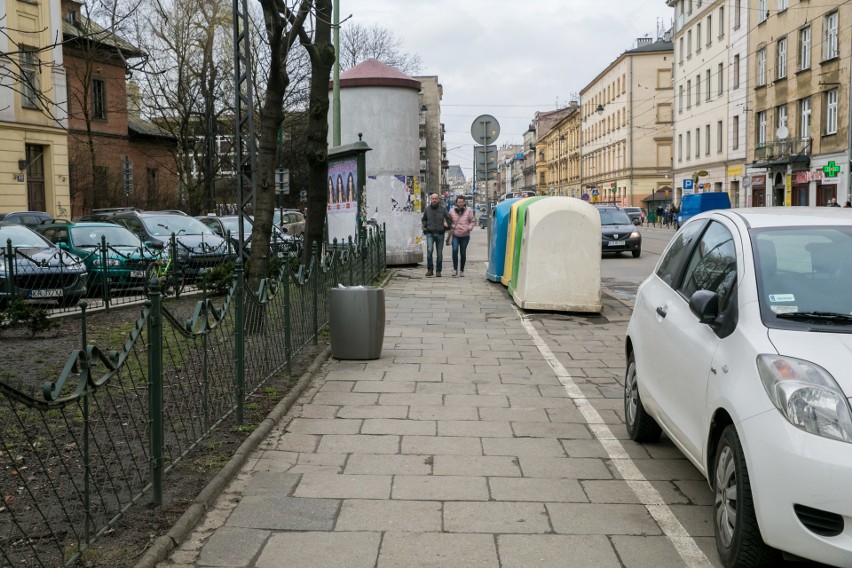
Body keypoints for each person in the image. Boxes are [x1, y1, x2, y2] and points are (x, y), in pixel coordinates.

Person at [421, 193, 452, 277]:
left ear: (438, 199)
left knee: (439, 253)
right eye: (433, 199)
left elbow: (449, 219)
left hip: (440, 234)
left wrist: (446, 227)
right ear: (431, 199)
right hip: (430, 233)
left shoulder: (442, 209)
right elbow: (424, 220)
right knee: (429, 250)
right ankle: (430, 270)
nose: (434, 200)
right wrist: (425, 227)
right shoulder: (427, 209)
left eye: (436, 198)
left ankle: (438, 271)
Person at [448, 195, 475, 277]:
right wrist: (450, 225)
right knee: (455, 250)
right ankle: (455, 269)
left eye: (462, 202)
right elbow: (448, 220)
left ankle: (462, 270)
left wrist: (469, 228)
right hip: (455, 235)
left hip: (465, 235)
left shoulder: (468, 210)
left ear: (464, 203)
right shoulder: (452, 211)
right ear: (456, 203)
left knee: (463, 253)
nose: (460, 203)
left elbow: (473, 221)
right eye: (459, 202)